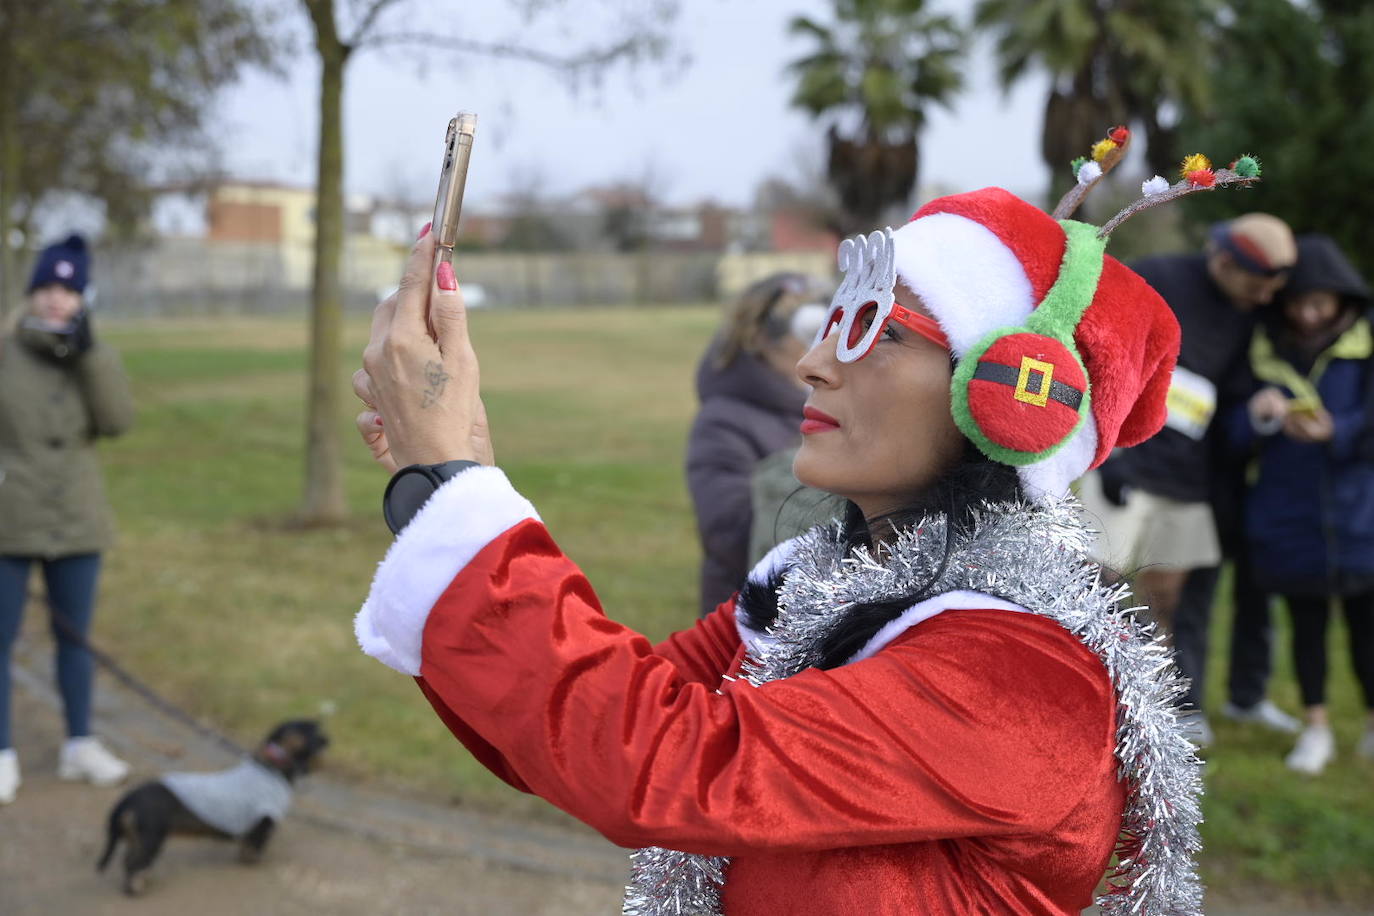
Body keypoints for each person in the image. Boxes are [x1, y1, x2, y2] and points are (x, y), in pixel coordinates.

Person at [351, 178, 1211, 914]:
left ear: (1015, 400)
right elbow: (587, 724)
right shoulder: (817, 582)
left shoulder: (1024, 671)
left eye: (879, 330)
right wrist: (449, 476)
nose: (812, 361)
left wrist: (456, 484)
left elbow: (672, 761)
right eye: (832, 319)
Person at [1079, 213, 1301, 746]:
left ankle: (1171, 707)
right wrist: (1108, 457)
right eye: (1257, 284)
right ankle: (1080, 699)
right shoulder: (1157, 278)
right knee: (1096, 591)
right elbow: (1101, 359)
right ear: (1224, 262)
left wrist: (1260, 409)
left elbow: (1234, 396)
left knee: (1176, 606)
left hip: (1190, 482)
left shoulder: (1249, 316)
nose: (1265, 297)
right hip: (1124, 465)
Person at [1225, 234, 1374, 774]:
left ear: (1342, 300)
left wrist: (1341, 430)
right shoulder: (1261, 350)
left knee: (1367, 630)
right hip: (1289, 521)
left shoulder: (1365, 347)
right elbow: (1231, 432)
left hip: (1361, 518)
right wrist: (1259, 414)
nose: (1308, 315)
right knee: (1306, 630)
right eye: (1298, 303)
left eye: (1320, 303)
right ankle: (1317, 727)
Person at [0, 234, 135, 805]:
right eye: (48, 288)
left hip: (77, 519)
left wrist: (90, 356)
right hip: (10, 517)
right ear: (32, 293)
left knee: (74, 639)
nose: (58, 300)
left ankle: (79, 743)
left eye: (69, 289)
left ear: (83, 297)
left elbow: (117, 422)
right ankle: (2, 751)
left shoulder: (94, 354)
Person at [686, 273, 826, 617]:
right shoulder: (723, 422)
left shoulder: (828, 402)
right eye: (810, 334)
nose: (826, 347)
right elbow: (729, 533)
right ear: (763, 338)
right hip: (749, 622)